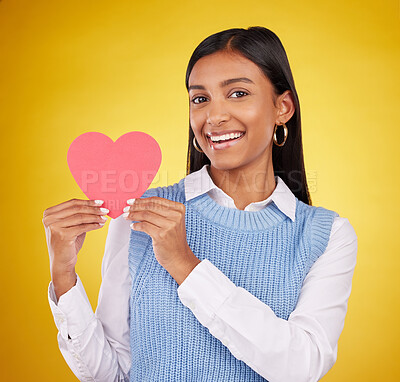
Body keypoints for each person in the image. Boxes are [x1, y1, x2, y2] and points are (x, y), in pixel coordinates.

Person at [43, 26, 358, 382]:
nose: (214, 116)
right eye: (200, 98)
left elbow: (301, 366)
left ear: (282, 107)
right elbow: (112, 374)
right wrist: (64, 277)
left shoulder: (326, 235)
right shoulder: (140, 214)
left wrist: (184, 264)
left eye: (237, 93)